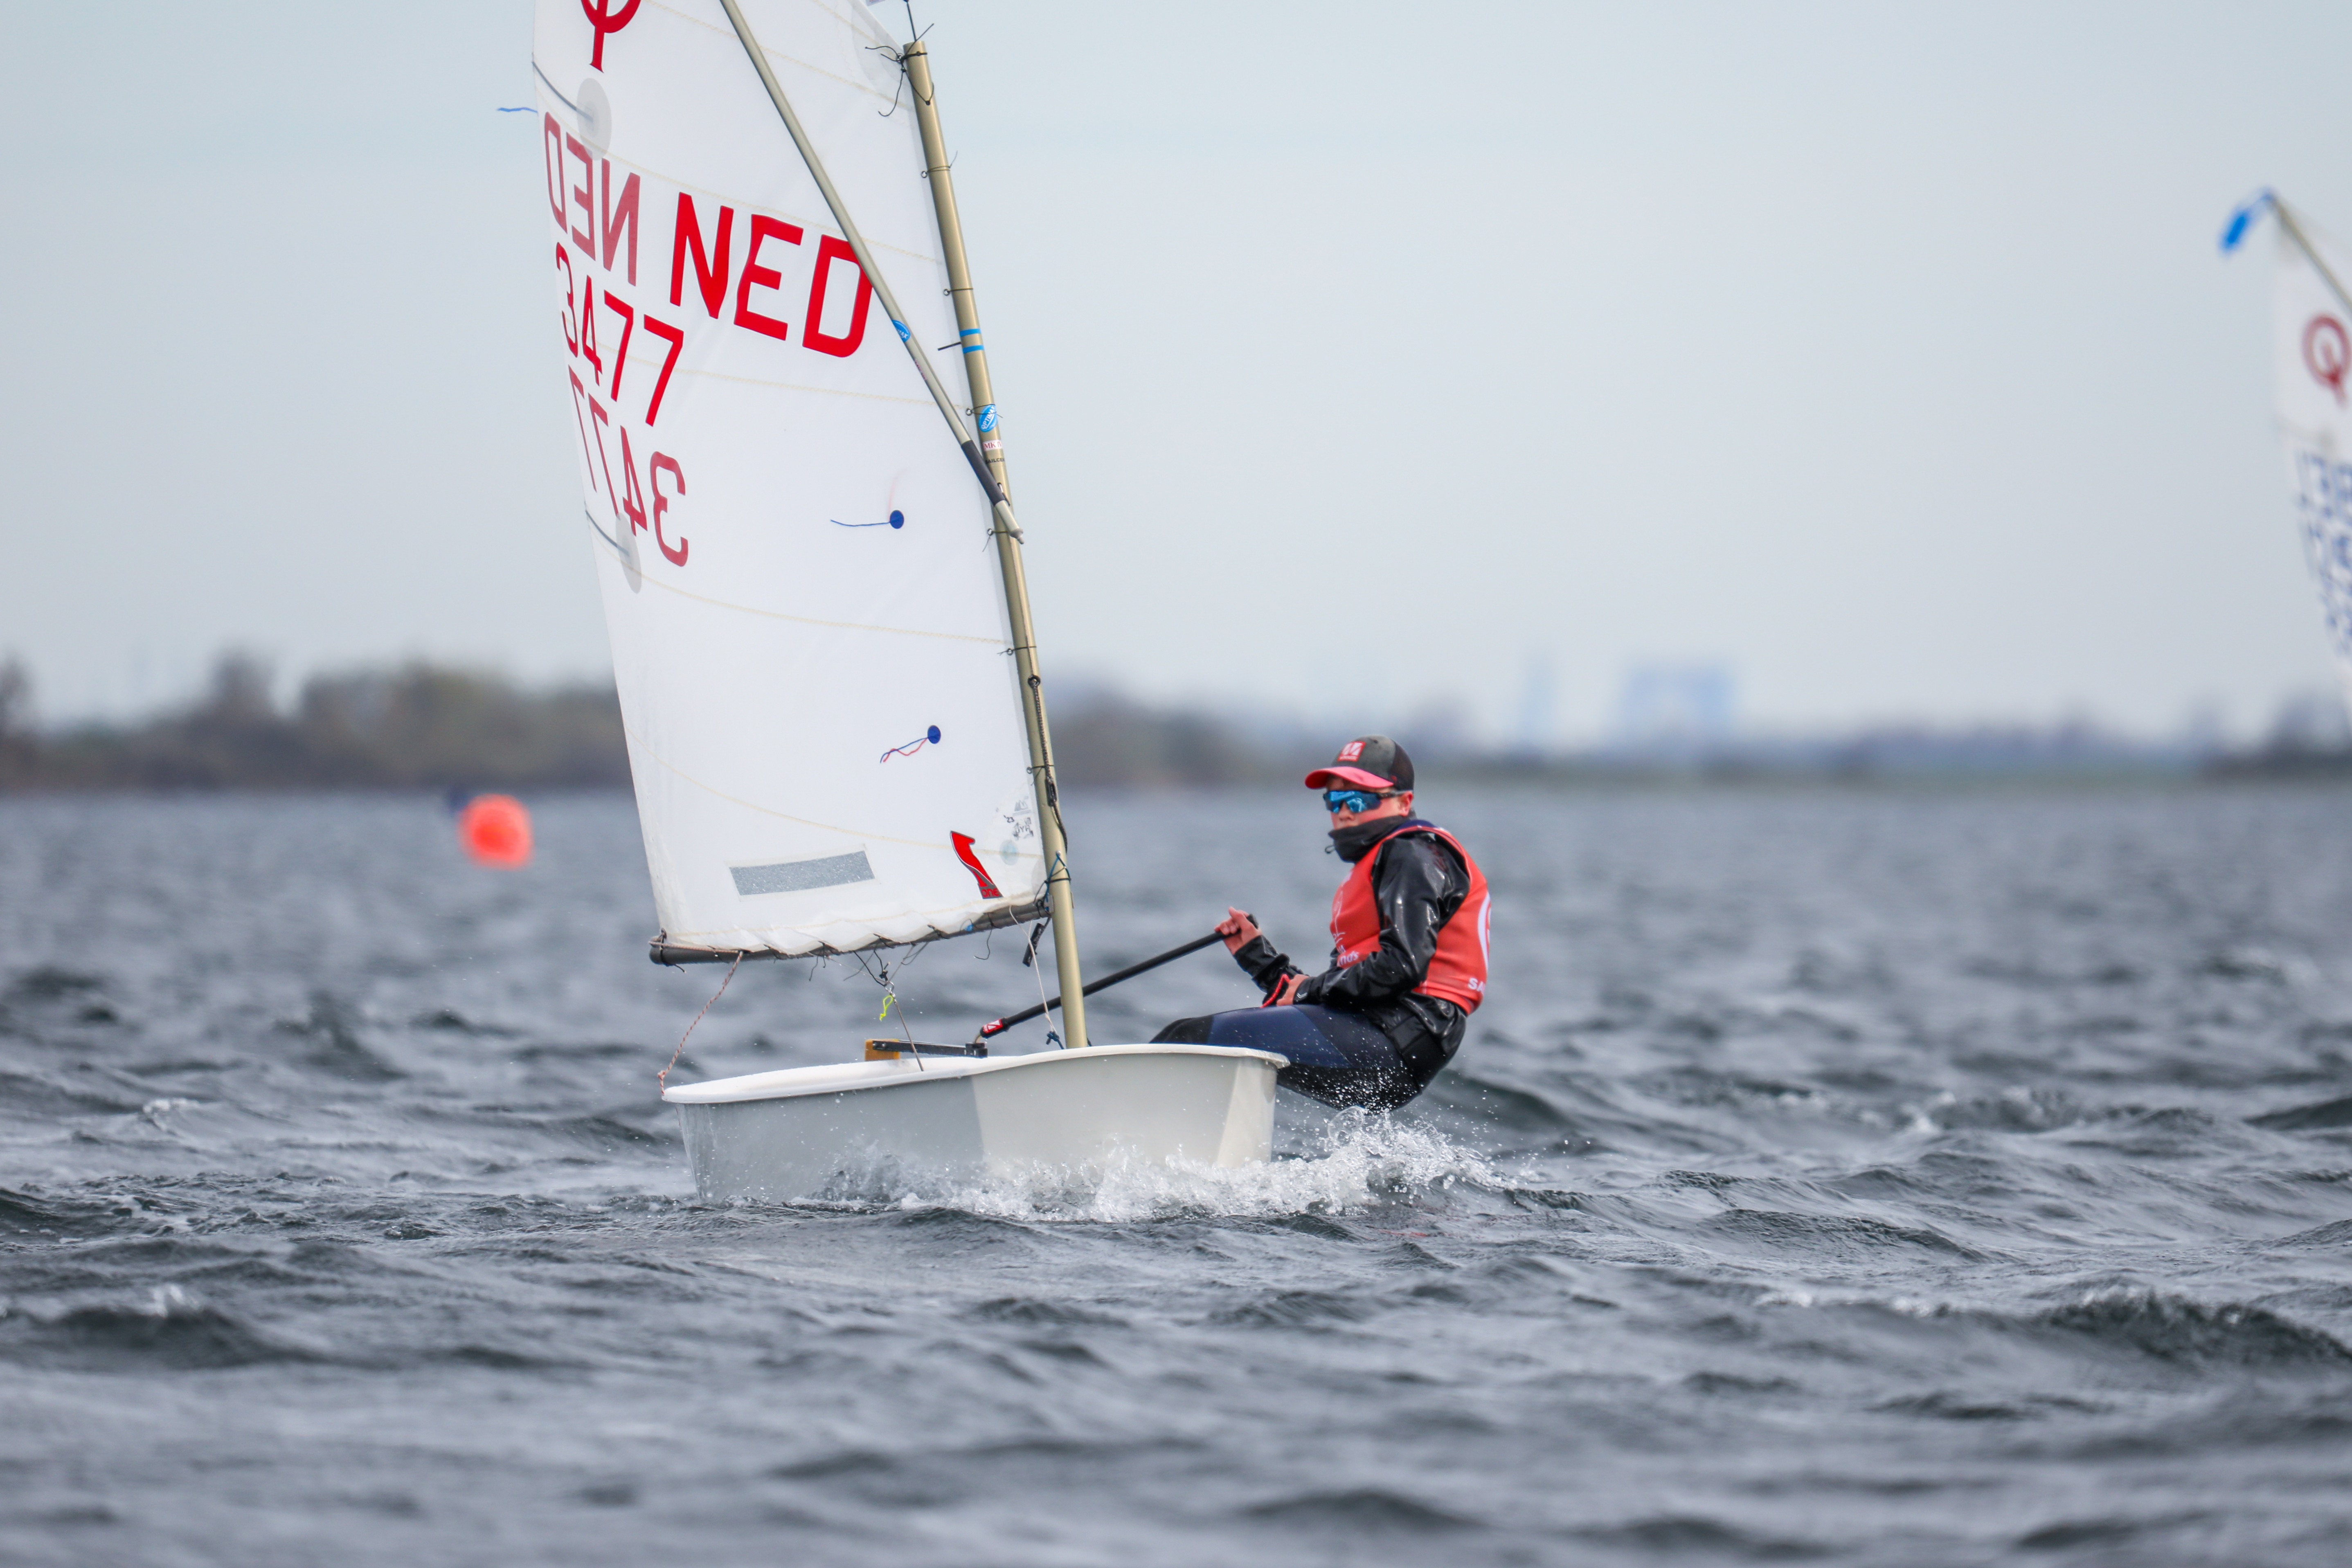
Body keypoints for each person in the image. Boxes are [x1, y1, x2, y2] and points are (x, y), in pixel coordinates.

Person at [1152, 735, 1490, 1110]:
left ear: (1403, 801)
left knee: (1186, 1040)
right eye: (1334, 800)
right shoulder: (1383, 862)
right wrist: (1264, 964)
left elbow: (1401, 967)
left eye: (1359, 798)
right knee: (1221, 1055)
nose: (1344, 812)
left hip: (1399, 1035)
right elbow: (1341, 990)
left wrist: (1305, 990)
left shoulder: (1412, 853)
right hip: (1389, 1036)